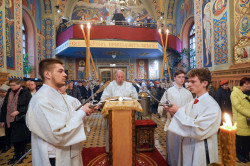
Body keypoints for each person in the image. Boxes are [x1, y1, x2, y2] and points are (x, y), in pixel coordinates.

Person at [26, 58, 96, 166]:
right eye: (60, 71)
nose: (65, 75)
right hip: (54, 156)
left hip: (66, 149)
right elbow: (58, 134)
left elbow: (68, 117)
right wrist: (81, 113)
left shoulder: (57, 95)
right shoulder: (41, 100)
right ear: (47, 74)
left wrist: (84, 112)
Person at [163, 68, 221, 166]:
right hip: (188, 146)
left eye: (193, 81)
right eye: (189, 81)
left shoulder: (212, 106)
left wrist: (177, 112)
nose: (189, 84)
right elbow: (181, 116)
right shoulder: (193, 102)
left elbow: (198, 130)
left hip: (201, 149)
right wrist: (172, 111)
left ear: (205, 83)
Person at [157, 70, 193, 166]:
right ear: (175, 78)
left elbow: (192, 108)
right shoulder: (169, 92)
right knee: (173, 148)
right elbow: (160, 107)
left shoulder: (188, 93)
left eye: (183, 77)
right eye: (179, 77)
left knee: (185, 148)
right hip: (173, 123)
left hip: (185, 124)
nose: (181, 79)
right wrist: (165, 109)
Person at [101, 70, 138, 152]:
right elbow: (103, 98)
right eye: (118, 77)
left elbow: (135, 96)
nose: (120, 79)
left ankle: (127, 149)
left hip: (127, 115)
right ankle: (111, 150)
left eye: (122, 77)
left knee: (126, 133)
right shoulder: (110, 85)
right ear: (115, 77)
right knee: (113, 134)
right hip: (113, 115)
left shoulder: (129, 85)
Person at [0, 79, 32, 164]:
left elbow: (30, 105)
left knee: (20, 138)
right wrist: (2, 120)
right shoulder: (9, 92)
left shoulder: (25, 92)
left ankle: (20, 154)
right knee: (13, 139)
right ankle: (16, 153)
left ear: (19, 84)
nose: (12, 87)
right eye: (10, 85)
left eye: (14, 85)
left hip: (20, 119)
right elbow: (4, 107)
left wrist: (19, 111)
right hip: (9, 119)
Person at [230, 77, 250, 163]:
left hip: (248, 120)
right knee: (240, 140)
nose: (249, 85)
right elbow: (238, 107)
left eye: (249, 84)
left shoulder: (248, 93)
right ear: (242, 84)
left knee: (247, 140)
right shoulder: (234, 94)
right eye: (247, 84)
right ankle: (240, 155)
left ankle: (246, 154)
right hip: (240, 119)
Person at [0, 84, 10, 153]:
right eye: (1, 92)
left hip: (5, 118)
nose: (2, 93)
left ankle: (6, 145)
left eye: (3, 92)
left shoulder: (9, 99)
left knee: (5, 133)